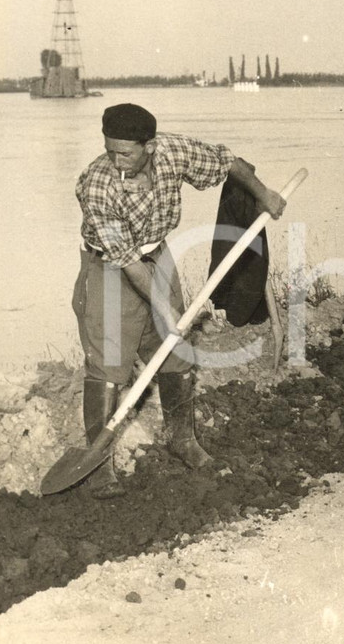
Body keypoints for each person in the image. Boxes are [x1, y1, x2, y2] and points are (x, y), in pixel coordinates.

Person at [73, 103, 286, 499]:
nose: (116, 162)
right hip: (111, 264)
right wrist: (165, 307)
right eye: (109, 151)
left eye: (126, 153)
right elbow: (129, 263)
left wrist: (264, 194)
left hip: (157, 252)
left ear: (150, 146)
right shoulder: (97, 184)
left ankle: (182, 440)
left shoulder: (174, 151)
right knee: (109, 361)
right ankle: (99, 466)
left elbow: (228, 162)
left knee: (177, 349)